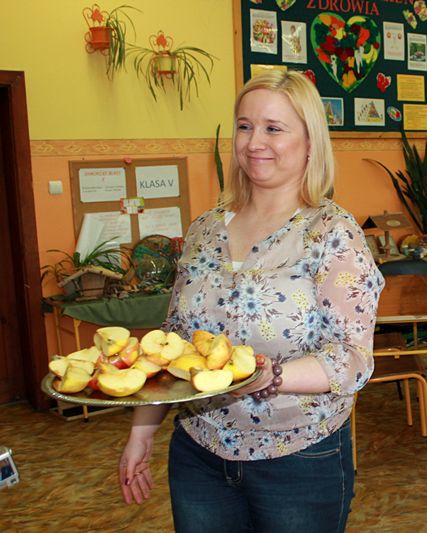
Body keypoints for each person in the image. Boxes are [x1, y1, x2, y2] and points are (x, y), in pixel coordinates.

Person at [117, 70, 384, 533]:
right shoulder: (205, 230)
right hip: (200, 451)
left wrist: (271, 376)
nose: (254, 141)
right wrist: (142, 432)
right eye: (245, 126)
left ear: (309, 143)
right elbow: (173, 344)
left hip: (298, 458)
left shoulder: (331, 234)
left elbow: (352, 359)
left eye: (273, 128)